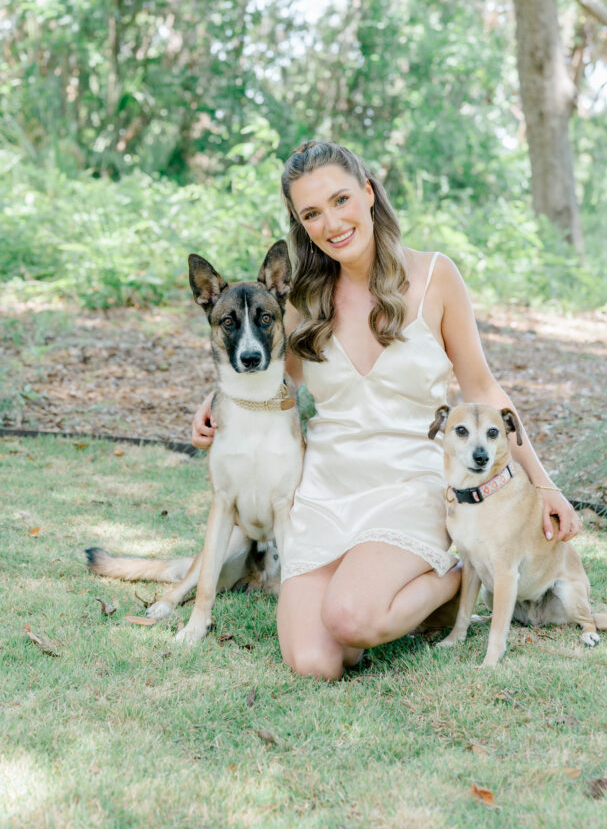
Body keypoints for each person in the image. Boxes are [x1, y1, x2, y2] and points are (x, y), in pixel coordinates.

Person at [193, 141, 581, 680]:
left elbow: (483, 387)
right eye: (311, 213)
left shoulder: (434, 277)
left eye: (341, 200)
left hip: (410, 486)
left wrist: (543, 486)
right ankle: (379, 588)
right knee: (314, 662)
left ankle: (455, 569)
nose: (331, 222)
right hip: (325, 490)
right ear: (301, 225)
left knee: (351, 616)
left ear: (369, 193)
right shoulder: (301, 303)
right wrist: (212, 406)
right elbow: (264, 373)